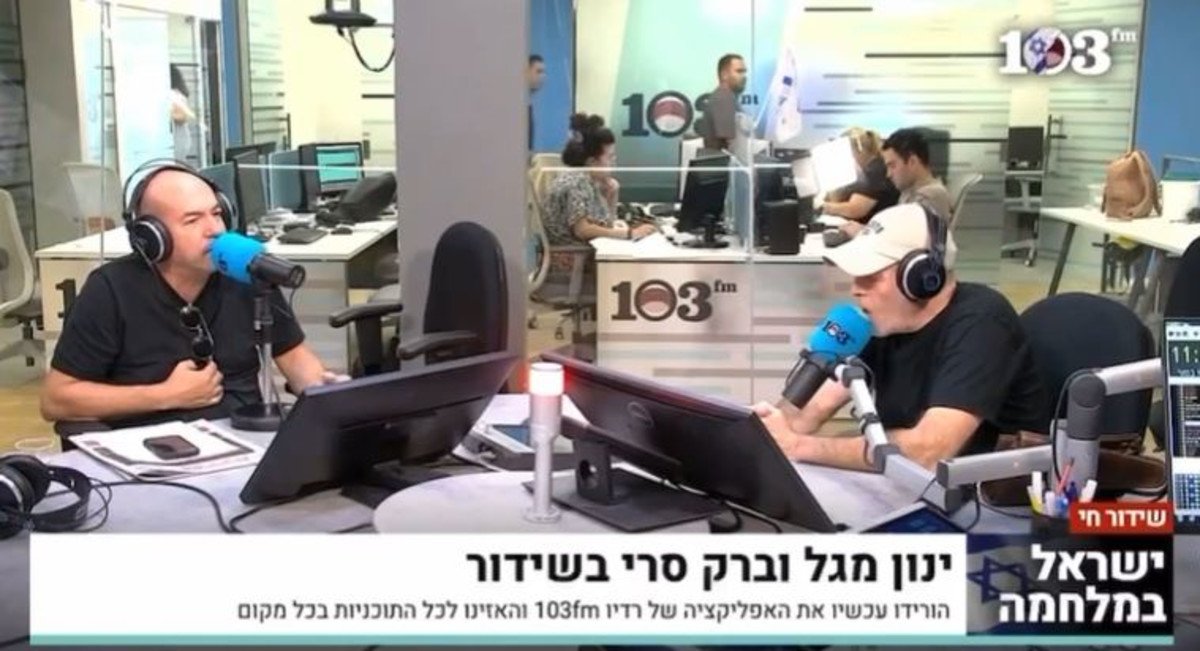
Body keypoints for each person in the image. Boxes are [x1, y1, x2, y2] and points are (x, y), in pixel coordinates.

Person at [41, 163, 344, 430]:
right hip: (155, 453)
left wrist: (326, 389)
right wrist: (164, 395)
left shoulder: (246, 272)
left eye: (216, 214)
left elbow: (297, 361)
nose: (214, 229)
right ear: (152, 236)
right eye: (192, 220)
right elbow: (56, 400)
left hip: (245, 445)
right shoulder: (111, 290)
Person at [753, 202, 1047, 471]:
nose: (856, 289)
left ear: (920, 277)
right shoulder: (885, 321)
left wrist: (799, 446)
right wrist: (763, 432)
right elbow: (815, 408)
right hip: (910, 483)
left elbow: (929, 451)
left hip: (985, 496)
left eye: (871, 276)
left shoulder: (984, 323)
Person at [541, 114, 655, 244]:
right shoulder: (576, 182)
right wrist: (629, 234)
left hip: (582, 248)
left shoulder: (588, 180)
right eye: (610, 157)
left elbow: (607, 225)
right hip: (571, 253)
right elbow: (582, 230)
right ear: (592, 161)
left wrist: (611, 194)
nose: (614, 162)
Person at [820, 127, 898, 227]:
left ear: (858, 149)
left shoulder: (876, 170)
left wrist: (822, 207)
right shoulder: (865, 171)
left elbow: (855, 209)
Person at [882, 128, 954, 220]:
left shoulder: (931, 196)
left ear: (912, 162)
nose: (888, 174)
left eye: (892, 166)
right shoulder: (909, 190)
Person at [697, 54, 748, 152]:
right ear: (724, 75)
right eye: (739, 71)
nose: (744, 76)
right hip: (724, 160)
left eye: (744, 72)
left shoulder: (726, 96)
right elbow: (731, 144)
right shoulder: (723, 98)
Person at [169, 64, 197, 161]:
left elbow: (182, 116)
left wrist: (167, 114)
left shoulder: (175, 94)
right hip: (180, 140)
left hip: (178, 141)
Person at [526, 54, 546, 151]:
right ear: (527, 72)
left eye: (543, 72)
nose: (543, 76)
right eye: (538, 72)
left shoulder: (529, 105)